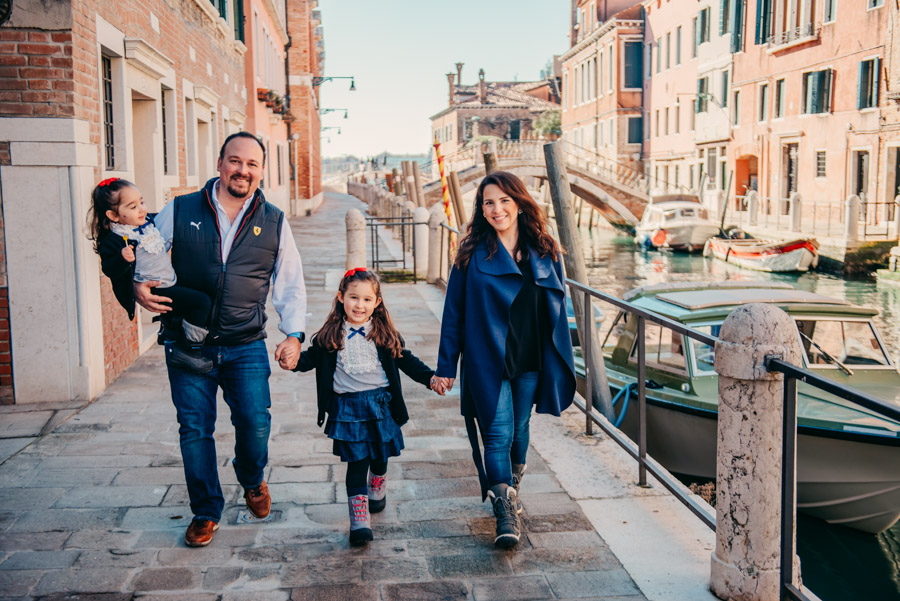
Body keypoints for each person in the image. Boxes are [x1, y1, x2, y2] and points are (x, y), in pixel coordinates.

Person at [134, 132, 308, 547]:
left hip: (245, 342)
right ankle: (206, 510)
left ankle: (251, 479)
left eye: (252, 164)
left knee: (255, 423)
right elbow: (147, 251)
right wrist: (139, 285)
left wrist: (295, 335)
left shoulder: (275, 221)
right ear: (219, 163)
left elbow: (291, 284)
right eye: (235, 161)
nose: (242, 170)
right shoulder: (180, 209)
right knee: (194, 429)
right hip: (188, 342)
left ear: (261, 170)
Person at [433, 171, 576, 549]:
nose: (497, 209)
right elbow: (454, 313)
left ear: (519, 203)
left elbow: (558, 307)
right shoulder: (470, 255)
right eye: (488, 203)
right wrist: (446, 367)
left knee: (520, 430)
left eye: (503, 201)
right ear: (481, 210)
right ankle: (504, 510)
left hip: (531, 355)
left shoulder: (545, 251)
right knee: (496, 433)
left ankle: (511, 487)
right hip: (487, 359)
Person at [293, 267, 441, 545]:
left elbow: (406, 361)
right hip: (347, 409)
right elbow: (309, 359)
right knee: (357, 462)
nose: (359, 305)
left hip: (381, 405)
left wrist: (431, 379)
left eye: (366, 299)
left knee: (379, 458)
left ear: (377, 303)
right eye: (353, 298)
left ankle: (379, 482)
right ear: (341, 298)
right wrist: (292, 360)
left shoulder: (382, 334)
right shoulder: (330, 335)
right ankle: (359, 519)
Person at [89, 177, 214, 373]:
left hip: (170, 281)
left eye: (141, 202)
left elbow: (171, 217)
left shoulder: (147, 223)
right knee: (202, 303)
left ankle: (169, 333)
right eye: (132, 206)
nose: (141, 209)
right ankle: (190, 350)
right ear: (113, 215)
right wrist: (123, 258)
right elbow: (110, 269)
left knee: (191, 302)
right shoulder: (115, 239)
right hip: (156, 288)